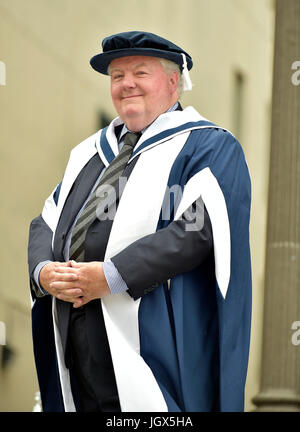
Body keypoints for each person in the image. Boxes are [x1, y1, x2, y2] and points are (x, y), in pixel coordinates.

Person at [28, 31, 252, 412]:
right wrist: (45, 272)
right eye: (117, 76)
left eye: (140, 72)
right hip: (79, 346)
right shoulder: (88, 153)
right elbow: (47, 218)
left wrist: (112, 275)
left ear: (172, 81)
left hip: (156, 348)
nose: (126, 84)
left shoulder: (209, 145)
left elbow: (198, 228)